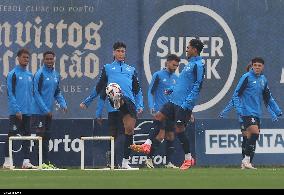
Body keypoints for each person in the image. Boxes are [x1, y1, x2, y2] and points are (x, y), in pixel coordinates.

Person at [131, 39, 205, 170]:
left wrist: (189, 102)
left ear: (194, 49)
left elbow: (198, 85)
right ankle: (147, 144)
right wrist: (172, 90)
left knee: (179, 131)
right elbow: (183, 83)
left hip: (183, 104)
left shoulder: (199, 64)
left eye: (188, 47)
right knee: (158, 117)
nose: (186, 50)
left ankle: (188, 158)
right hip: (173, 100)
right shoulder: (188, 64)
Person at [80, 41, 143, 169]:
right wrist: (87, 101)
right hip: (114, 106)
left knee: (129, 130)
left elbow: (138, 90)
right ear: (113, 52)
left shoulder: (131, 70)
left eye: (123, 51)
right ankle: (112, 163)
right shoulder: (108, 68)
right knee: (113, 135)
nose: (121, 53)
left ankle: (125, 162)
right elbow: (99, 88)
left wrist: (140, 104)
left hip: (129, 103)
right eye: (118, 51)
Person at [220, 63, 280, 167]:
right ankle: (246, 160)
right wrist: (225, 111)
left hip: (256, 114)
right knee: (249, 136)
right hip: (244, 115)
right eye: (251, 69)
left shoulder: (261, 81)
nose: (254, 70)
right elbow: (234, 99)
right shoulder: (245, 80)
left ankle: (247, 162)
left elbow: (267, 99)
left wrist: (274, 112)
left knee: (252, 137)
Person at [31, 51, 67, 169]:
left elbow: (57, 92)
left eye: (51, 59)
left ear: (54, 59)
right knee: (40, 138)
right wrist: (45, 110)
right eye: (47, 59)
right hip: (38, 112)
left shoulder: (56, 75)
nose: (49, 61)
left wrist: (63, 104)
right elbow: (36, 94)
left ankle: (46, 163)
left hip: (48, 113)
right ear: (43, 60)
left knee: (46, 138)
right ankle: (40, 163)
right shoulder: (39, 74)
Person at [2, 48, 37, 169]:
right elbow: (10, 94)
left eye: (28, 58)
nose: (26, 59)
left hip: (28, 113)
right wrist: (17, 109)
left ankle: (26, 162)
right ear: (18, 58)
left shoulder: (29, 75)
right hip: (16, 113)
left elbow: (32, 93)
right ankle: (7, 162)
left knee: (27, 137)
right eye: (24, 57)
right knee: (11, 136)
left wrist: (31, 109)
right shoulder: (12, 74)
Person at [143, 54, 180, 169]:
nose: (175, 67)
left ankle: (168, 162)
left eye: (177, 66)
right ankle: (148, 159)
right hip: (160, 111)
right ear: (167, 62)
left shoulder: (176, 78)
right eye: (173, 65)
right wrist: (151, 106)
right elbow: (150, 92)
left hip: (172, 111)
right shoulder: (158, 75)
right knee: (160, 136)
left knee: (170, 136)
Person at [95, 89, 143, 168]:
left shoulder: (124, 100)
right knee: (125, 135)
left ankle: (124, 161)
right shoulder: (111, 98)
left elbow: (138, 92)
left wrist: (140, 105)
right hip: (121, 110)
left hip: (128, 108)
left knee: (128, 134)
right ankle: (119, 161)